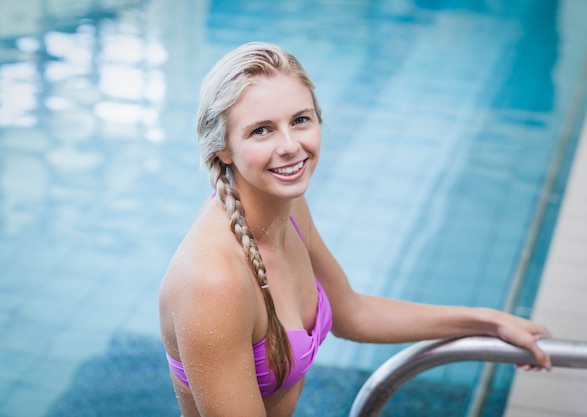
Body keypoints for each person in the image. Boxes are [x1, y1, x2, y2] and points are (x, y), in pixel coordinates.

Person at [158, 41, 552, 417]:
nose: (290, 146)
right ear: (222, 148)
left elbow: (353, 313)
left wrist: (489, 322)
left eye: (300, 120)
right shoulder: (213, 282)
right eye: (262, 130)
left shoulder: (289, 207)